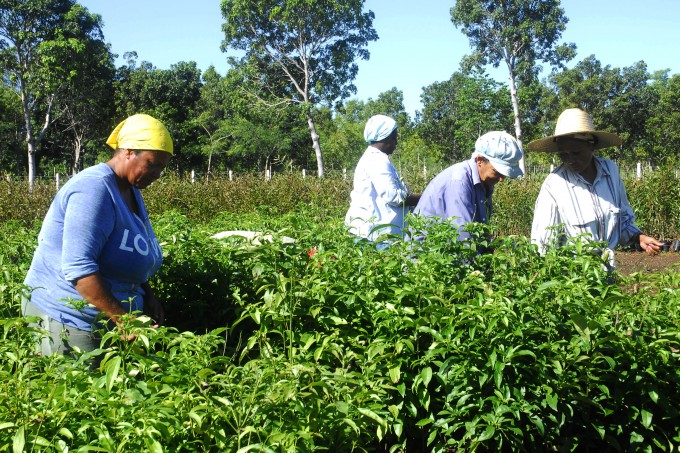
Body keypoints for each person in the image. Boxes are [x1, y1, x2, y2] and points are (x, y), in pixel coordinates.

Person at [22, 113, 173, 356]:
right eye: (152, 163)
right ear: (127, 151)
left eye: (161, 168)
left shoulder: (130, 189)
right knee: (79, 391)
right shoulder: (94, 189)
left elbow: (128, 249)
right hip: (71, 319)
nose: (156, 173)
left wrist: (147, 294)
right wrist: (125, 321)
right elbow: (79, 268)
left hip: (109, 318)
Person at [528, 108, 663, 266]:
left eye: (576, 152)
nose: (569, 160)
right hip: (573, 279)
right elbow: (543, 243)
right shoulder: (554, 185)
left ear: (592, 145)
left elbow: (622, 219)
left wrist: (639, 237)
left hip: (607, 275)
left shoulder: (610, 171)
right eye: (563, 154)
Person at [414, 131, 524, 240]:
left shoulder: (485, 181)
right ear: (480, 160)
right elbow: (462, 236)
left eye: (504, 174)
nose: (501, 179)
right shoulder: (459, 183)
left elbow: (479, 229)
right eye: (497, 172)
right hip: (426, 252)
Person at [345, 114, 420, 244]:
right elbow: (392, 196)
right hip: (372, 234)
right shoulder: (377, 160)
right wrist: (423, 197)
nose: (396, 142)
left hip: (374, 233)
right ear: (383, 138)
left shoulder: (377, 158)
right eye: (393, 138)